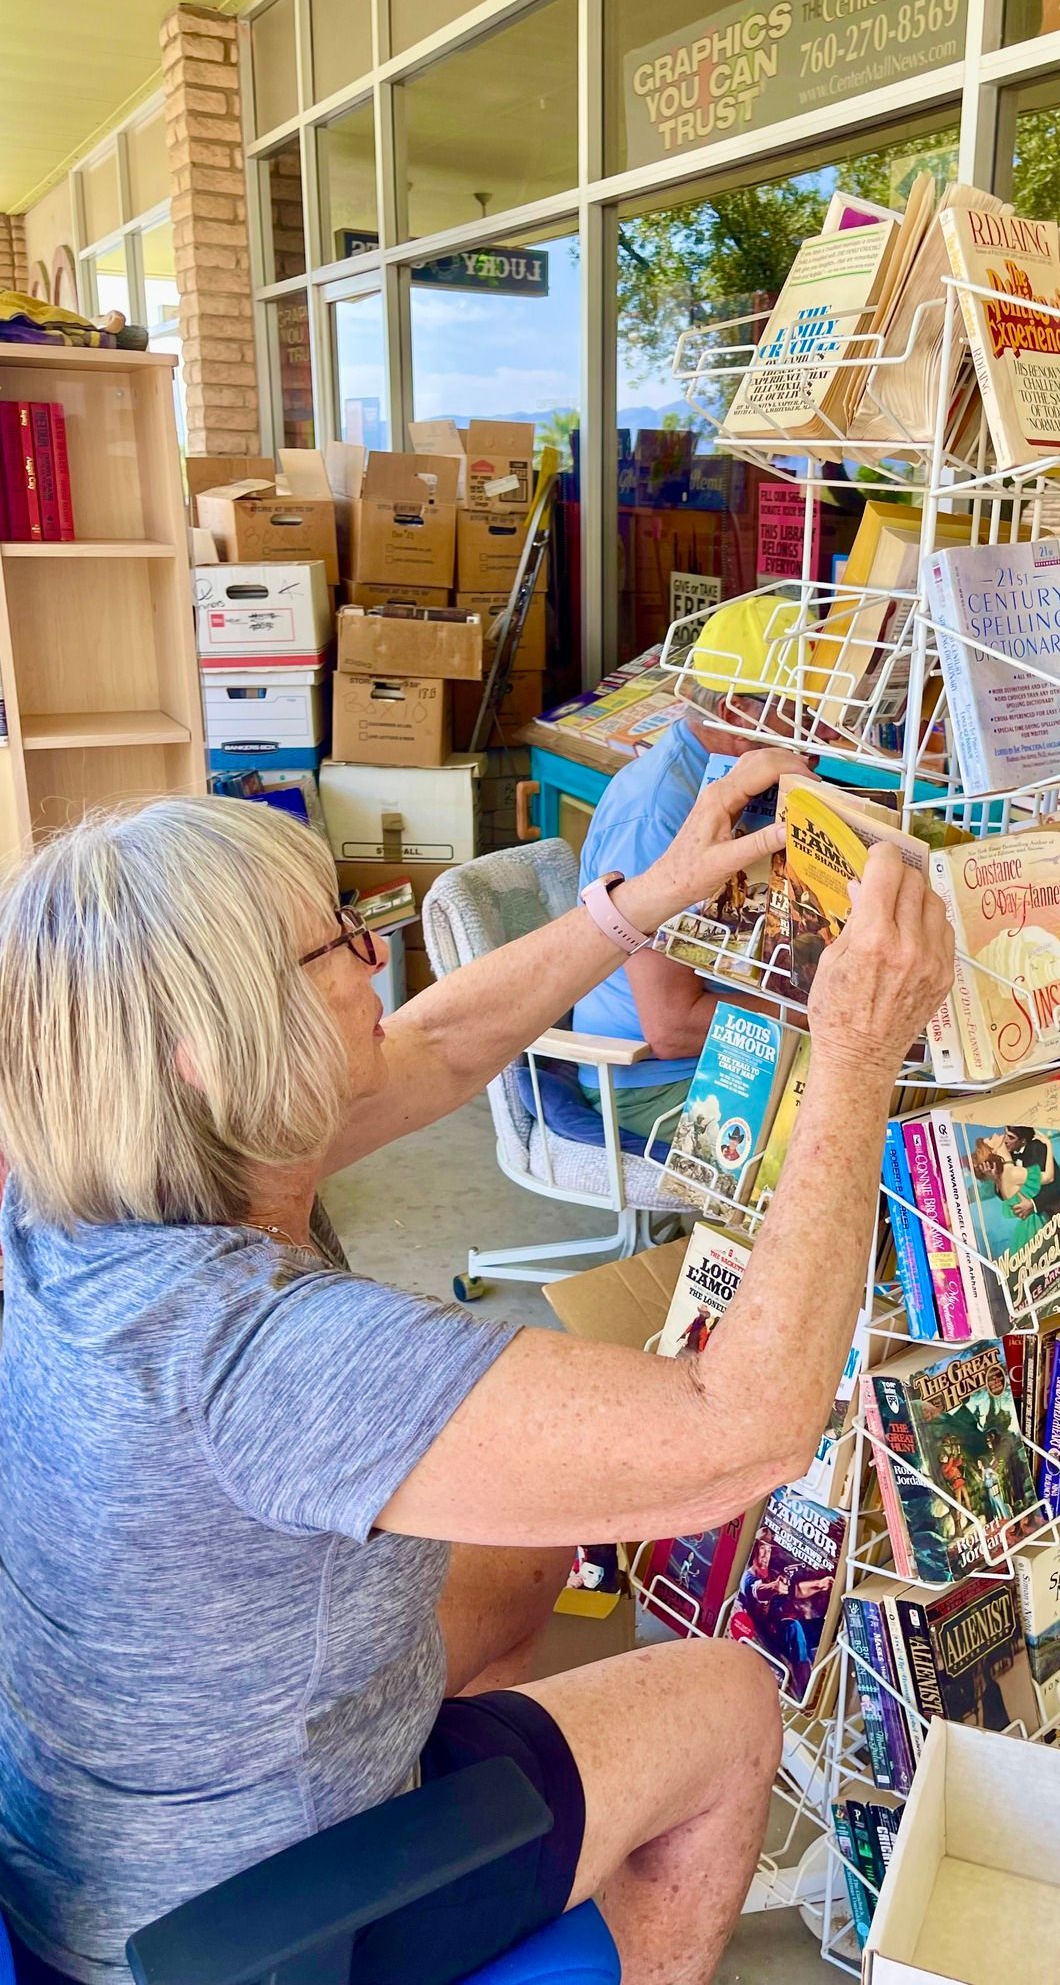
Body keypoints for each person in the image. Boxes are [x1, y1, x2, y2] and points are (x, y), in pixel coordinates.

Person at [0, 779, 953, 1985]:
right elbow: (746, 1433)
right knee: (726, 1700)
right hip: (251, 1918)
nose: (373, 953)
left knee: (522, 1562)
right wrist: (859, 1053)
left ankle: (507, 1835)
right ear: (212, 1052)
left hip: (121, 1827)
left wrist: (641, 907)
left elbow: (440, 1046)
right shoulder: (267, 1353)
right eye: (335, 941)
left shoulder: (85, 1186)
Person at [573, 594, 805, 1140]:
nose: (823, 733)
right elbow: (671, 1028)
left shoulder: (736, 777)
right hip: (651, 1080)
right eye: (803, 712)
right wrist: (836, 1012)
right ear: (735, 712)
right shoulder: (659, 813)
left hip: (727, 1042)